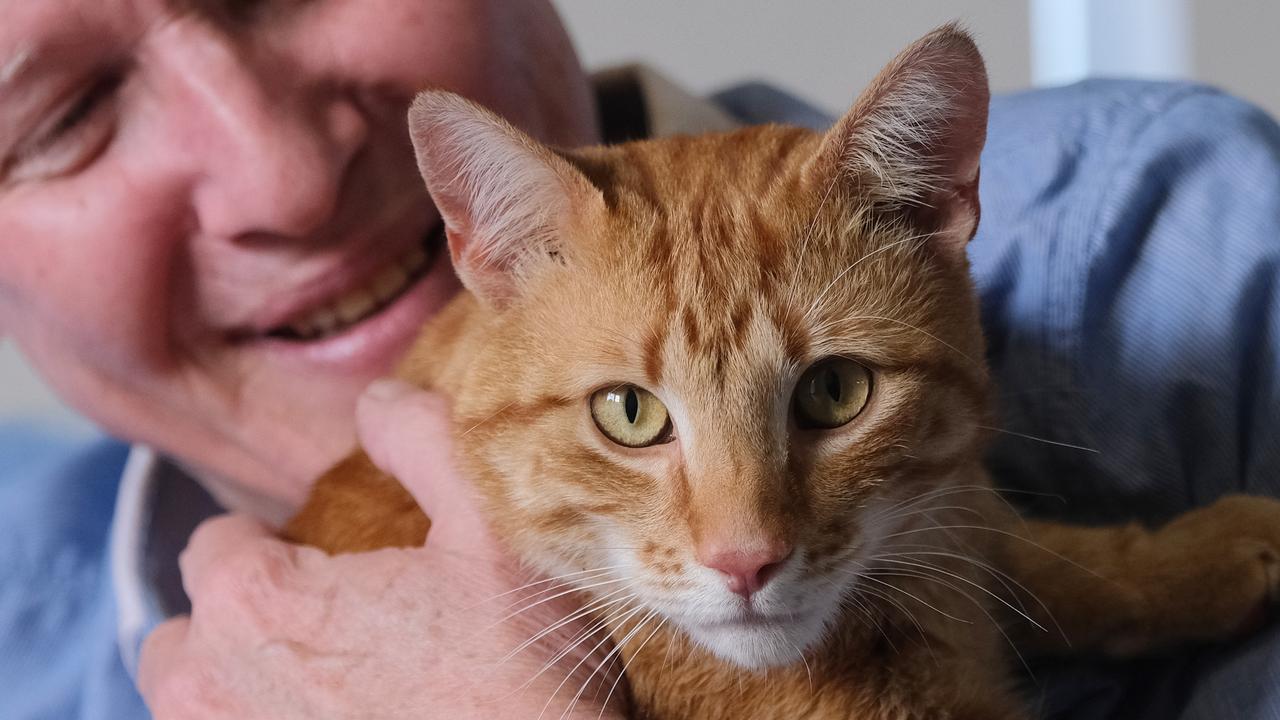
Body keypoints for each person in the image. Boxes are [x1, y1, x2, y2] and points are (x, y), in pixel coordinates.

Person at [1, 0, 1277, 718]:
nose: (281, 175)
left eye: (830, 394)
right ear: (482, 250)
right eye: (60, 117)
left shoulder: (1181, 247)